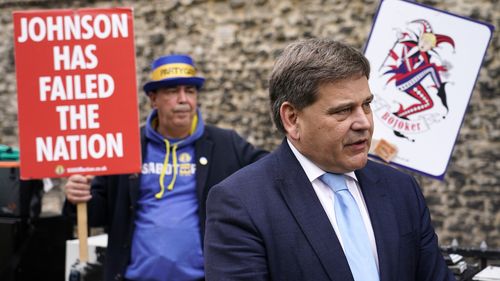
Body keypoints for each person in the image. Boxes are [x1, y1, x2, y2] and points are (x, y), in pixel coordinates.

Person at [204, 38, 455, 281]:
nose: (364, 122)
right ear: (292, 118)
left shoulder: (401, 189)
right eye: (343, 110)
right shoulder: (241, 203)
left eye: (366, 105)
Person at [64, 54, 267, 281]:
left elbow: (272, 173)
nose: (183, 100)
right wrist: (78, 196)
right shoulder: (124, 145)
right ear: (153, 98)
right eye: (172, 91)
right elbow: (96, 214)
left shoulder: (225, 144)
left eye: (190, 91)